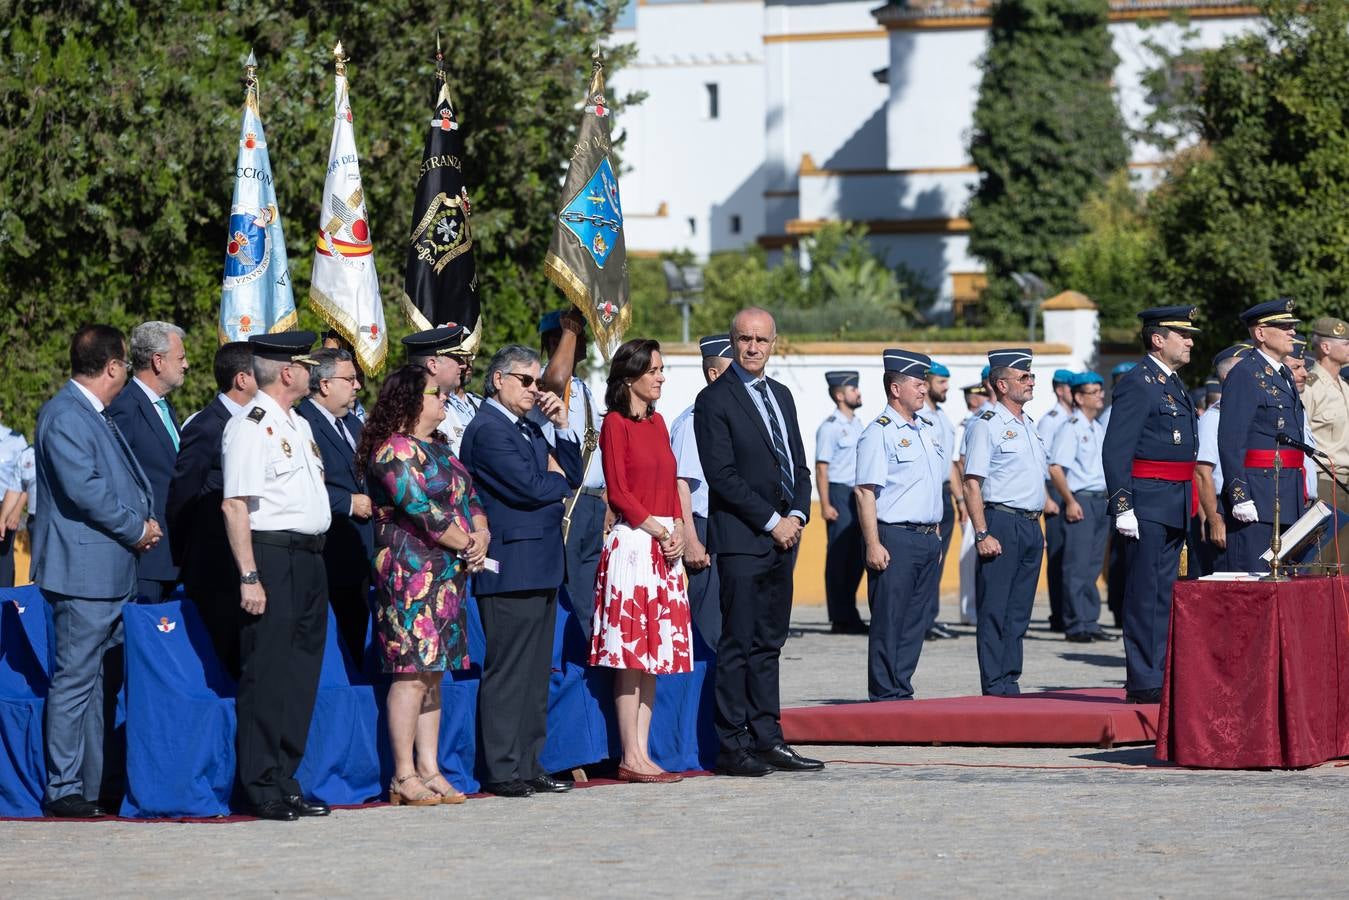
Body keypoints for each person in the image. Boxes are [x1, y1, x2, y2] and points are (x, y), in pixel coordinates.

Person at [33, 325, 159, 817]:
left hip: (110, 572)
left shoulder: (90, 412)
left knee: (99, 684)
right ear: (112, 367)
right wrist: (137, 528)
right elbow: (86, 491)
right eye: (126, 364)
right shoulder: (65, 415)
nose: (128, 372)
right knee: (75, 681)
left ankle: (94, 782)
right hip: (83, 574)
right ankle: (63, 786)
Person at [694, 307, 823, 776]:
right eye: (745, 339)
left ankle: (768, 737)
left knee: (770, 642)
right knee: (739, 643)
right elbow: (722, 476)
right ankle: (732, 744)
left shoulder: (782, 395)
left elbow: (798, 464)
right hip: (745, 538)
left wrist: (796, 514)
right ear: (733, 342)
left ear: (774, 343)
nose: (753, 348)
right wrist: (772, 521)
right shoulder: (715, 400)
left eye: (762, 340)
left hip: (785, 538)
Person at [359, 364, 489, 806]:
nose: (444, 399)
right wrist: (468, 542)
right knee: (411, 673)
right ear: (412, 399)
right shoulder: (393, 451)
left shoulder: (439, 449)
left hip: (449, 574)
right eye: (436, 393)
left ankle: (430, 769)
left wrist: (480, 537)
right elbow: (421, 509)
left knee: (435, 675)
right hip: (409, 574)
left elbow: (469, 498)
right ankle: (402, 773)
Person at [460, 344, 582, 798]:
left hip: (541, 563)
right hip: (511, 564)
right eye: (526, 381)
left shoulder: (529, 428)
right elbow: (534, 488)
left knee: (534, 673)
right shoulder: (489, 429)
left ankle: (530, 762)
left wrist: (563, 426)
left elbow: (570, 470)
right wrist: (558, 482)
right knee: (509, 670)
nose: (536, 390)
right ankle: (502, 767)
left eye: (538, 382)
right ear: (498, 380)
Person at [221, 331, 332, 822]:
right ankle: (260, 782)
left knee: (301, 674)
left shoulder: (298, 423)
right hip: (271, 555)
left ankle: (286, 778)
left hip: (309, 557)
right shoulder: (252, 424)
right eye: (308, 364)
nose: (313, 371)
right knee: (267, 673)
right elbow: (234, 505)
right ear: (288, 372)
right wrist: (249, 575)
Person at [589, 339, 693, 783]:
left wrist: (681, 532)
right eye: (653, 370)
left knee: (655, 657)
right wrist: (659, 529)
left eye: (662, 369)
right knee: (632, 655)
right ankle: (629, 754)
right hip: (634, 546)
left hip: (665, 546)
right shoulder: (615, 424)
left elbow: (671, 485)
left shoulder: (659, 423)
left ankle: (645, 753)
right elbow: (619, 493)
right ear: (630, 376)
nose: (661, 377)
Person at [1103, 306, 1200, 705]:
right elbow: (1115, 449)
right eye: (1183, 335)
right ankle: (1144, 679)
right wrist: (1122, 504)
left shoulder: (1173, 383)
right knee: (1145, 593)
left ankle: (1160, 671)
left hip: (1174, 500)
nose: (1191, 341)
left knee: (1165, 592)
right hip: (1146, 502)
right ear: (1158, 339)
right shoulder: (1138, 383)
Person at [855, 349, 946, 701]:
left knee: (915, 621)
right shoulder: (879, 433)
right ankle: (883, 693)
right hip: (894, 536)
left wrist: (935, 534)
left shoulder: (926, 429)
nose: (924, 389)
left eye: (924, 383)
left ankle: (901, 687)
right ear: (895, 388)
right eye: (917, 383)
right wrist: (873, 543)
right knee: (889, 619)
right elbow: (866, 492)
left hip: (926, 537)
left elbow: (927, 486)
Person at [961, 348, 1053, 697]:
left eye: (1031, 376)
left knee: (1019, 610)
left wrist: (1037, 527)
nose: (1031, 382)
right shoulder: (986, 425)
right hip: (1000, 521)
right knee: (996, 607)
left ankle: (1010, 679)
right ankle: (994, 684)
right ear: (1001, 384)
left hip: (1029, 524)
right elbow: (972, 483)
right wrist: (982, 532)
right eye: (1023, 377)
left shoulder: (1028, 424)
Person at [165, 341, 256, 675]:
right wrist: (188, 558)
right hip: (215, 566)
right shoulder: (207, 426)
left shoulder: (256, 423)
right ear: (243, 379)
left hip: (247, 560)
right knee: (223, 659)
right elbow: (183, 497)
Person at [297, 347, 374, 664]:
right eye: (350, 379)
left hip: (362, 553)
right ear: (325, 384)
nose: (358, 386)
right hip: (329, 553)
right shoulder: (302, 423)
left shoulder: (355, 426)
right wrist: (346, 501)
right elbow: (298, 485)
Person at [1217, 299, 1306, 573]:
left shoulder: (1283, 375)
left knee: (1285, 582)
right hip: (1258, 496)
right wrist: (1240, 495)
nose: (1292, 331)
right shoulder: (1245, 373)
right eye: (1284, 326)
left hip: (1285, 492)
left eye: (1292, 326)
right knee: (1253, 581)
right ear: (1260, 333)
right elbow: (1231, 440)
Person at [538, 310, 607, 644]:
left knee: (590, 590)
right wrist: (568, 328)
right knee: (572, 593)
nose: (580, 346)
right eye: (574, 338)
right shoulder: (545, 382)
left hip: (592, 502)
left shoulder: (583, 388)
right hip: (568, 501)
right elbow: (553, 379)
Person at [107, 321, 188, 602]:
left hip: (173, 554)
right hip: (146, 558)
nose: (186, 365)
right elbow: (115, 480)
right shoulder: (125, 408)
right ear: (158, 361)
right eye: (180, 358)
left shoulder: (164, 406)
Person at [668, 334, 733, 648]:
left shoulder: (726, 418)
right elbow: (681, 484)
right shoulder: (694, 422)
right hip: (703, 528)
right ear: (714, 374)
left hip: (727, 526)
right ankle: (702, 694)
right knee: (707, 625)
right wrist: (692, 541)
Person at [1048, 372, 1116, 643]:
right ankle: (1075, 623)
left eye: (1100, 390)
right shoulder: (1071, 426)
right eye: (1093, 392)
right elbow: (1055, 468)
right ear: (1078, 397)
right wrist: (1070, 500)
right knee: (1076, 565)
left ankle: (1089, 620)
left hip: (1100, 500)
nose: (1100, 395)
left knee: (1092, 565)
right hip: (1082, 500)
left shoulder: (1096, 426)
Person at [814, 370, 868, 635]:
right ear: (839, 395)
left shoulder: (858, 424)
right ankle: (840, 617)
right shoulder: (830, 427)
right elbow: (821, 468)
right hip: (838, 492)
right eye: (853, 389)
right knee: (839, 556)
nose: (858, 393)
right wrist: (825, 503)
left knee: (857, 556)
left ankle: (850, 611)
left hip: (857, 494)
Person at [1194, 344, 1250, 576]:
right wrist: (1215, 522)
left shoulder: (1249, 413)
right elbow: (1202, 472)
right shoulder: (1213, 417)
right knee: (1231, 577)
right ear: (1228, 377)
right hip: (1223, 506)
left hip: (1248, 504)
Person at [1037, 369, 1077, 633]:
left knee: (1071, 556)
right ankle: (1059, 615)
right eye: (1072, 389)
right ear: (1061, 390)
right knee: (1058, 554)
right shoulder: (1050, 420)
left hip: (1071, 491)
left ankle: (1069, 610)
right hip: (1054, 489)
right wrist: (1046, 497)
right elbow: (1041, 462)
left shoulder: (1073, 418)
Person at [922, 361, 960, 641]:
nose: (946, 387)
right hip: (930, 494)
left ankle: (930, 617)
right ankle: (921, 621)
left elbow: (950, 463)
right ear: (927, 382)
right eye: (941, 382)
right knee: (927, 561)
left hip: (945, 493)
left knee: (938, 560)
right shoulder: (921, 414)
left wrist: (959, 498)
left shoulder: (943, 416)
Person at [1101, 360, 1137, 626]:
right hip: (1119, 490)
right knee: (1119, 556)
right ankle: (1118, 607)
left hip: (1136, 487)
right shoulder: (1112, 413)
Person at [403, 326, 476, 456]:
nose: (463, 365)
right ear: (433, 365)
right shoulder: (411, 409)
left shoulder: (452, 405)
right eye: (456, 358)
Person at [955, 380, 991, 626]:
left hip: (995, 499)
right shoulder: (974, 421)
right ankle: (969, 610)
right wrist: (964, 501)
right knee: (970, 557)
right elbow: (960, 462)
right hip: (977, 498)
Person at [1304, 317, 1349, 503]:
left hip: (1344, 481)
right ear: (1326, 348)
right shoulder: (1309, 387)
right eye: (1346, 344)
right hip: (1324, 479)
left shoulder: (1344, 387)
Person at [0, 413, 28, 588]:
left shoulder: (15, 441)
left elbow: (26, 479)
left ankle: (4, 606)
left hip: (6, 505)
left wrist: (17, 511)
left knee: (4, 559)